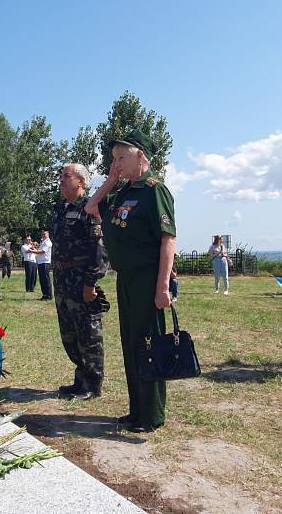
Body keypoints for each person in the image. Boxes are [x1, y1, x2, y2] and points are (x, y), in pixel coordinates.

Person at [86, 129, 176, 433]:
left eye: (121, 158)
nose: (117, 164)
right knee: (132, 344)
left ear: (141, 156)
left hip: (146, 278)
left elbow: (167, 240)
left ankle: (151, 414)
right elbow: (90, 207)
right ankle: (137, 411)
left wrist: (163, 285)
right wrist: (111, 180)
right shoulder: (124, 192)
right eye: (114, 160)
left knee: (148, 343)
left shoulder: (154, 190)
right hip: (125, 279)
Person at [51, 163, 109, 402]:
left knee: (88, 333)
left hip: (81, 280)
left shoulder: (90, 208)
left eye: (67, 176)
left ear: (81, 182)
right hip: (62, 280)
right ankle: (80, 378)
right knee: (69, 333)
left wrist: (90, 284)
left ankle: (92, 384)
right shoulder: (60, 209)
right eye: (61, 176)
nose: (61, 180)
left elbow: (99, 249)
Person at [31, 229, 53, 300]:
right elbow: (39, 249)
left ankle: (49, 296)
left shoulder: (47, 242)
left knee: (46, 280)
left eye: (45, 234)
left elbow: (42, 251)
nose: (43, 235)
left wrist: (32, 251)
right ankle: (45, 295)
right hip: (41, 262)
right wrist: (34, 248)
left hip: (45, 263)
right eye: (42, 234)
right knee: (42, 280)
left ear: (48, 234)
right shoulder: (43, 242)